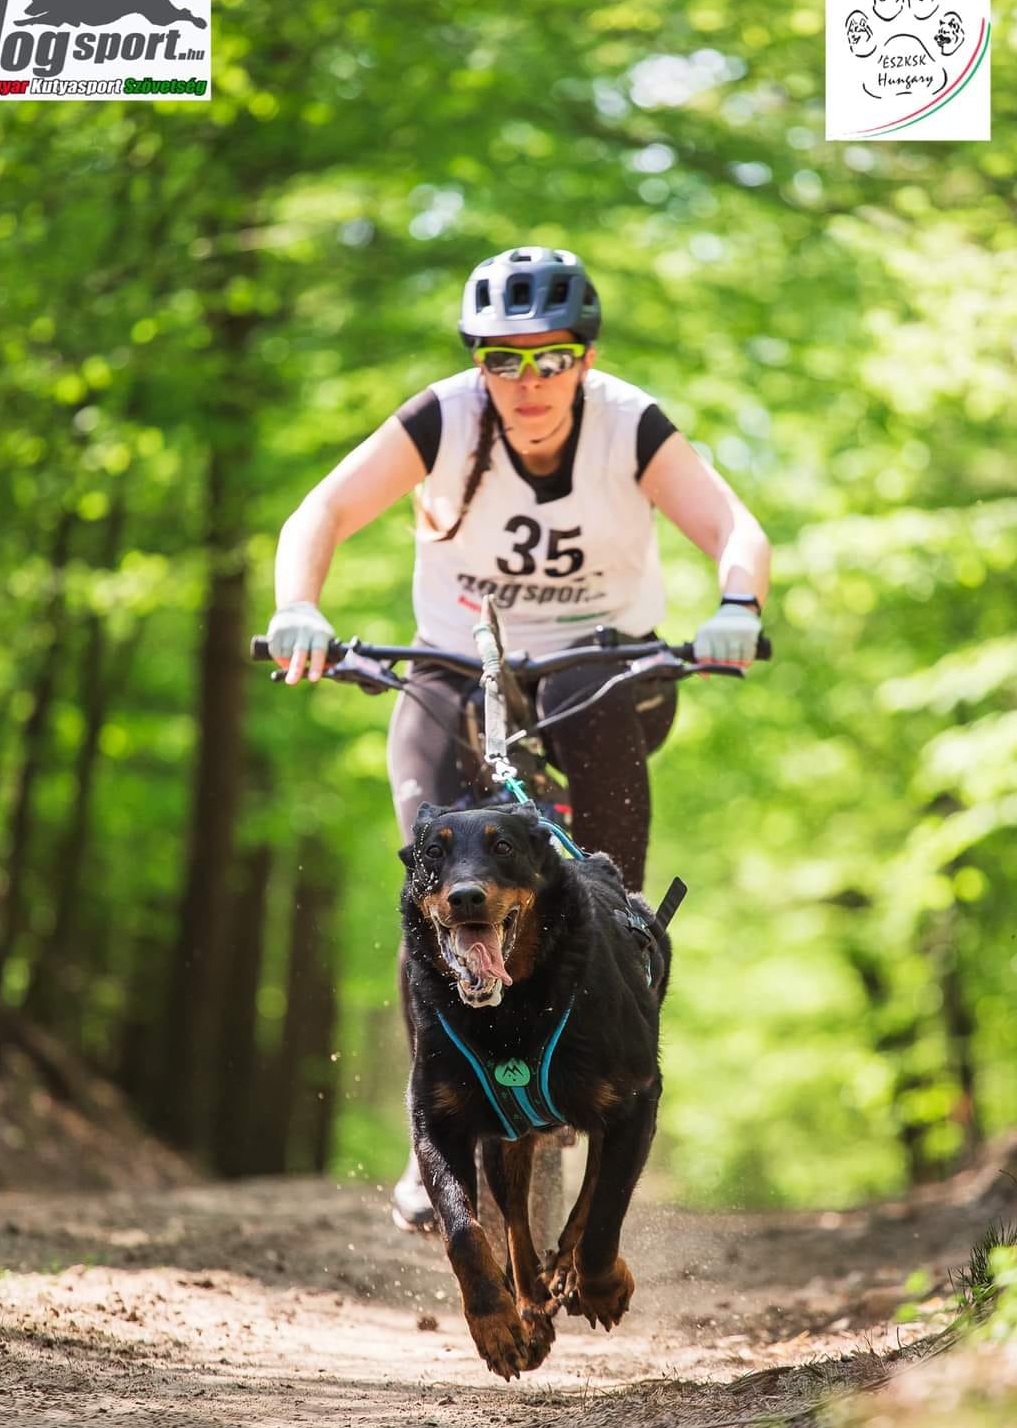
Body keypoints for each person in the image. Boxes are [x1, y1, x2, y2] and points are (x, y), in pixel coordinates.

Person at [267, 246, 771, 1230]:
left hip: (605, 673)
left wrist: (737, 603)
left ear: (585, 357)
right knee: (431, 863)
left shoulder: (631, 425)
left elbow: (735, 529)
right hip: (460, 669)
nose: (528, 383)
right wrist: (299, 607)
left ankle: (613, 953)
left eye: (552, 358)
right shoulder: (442, 419)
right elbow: (319, 511)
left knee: (586, 708)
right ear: (477, 363)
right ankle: (435, 1131)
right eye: (504, 360)